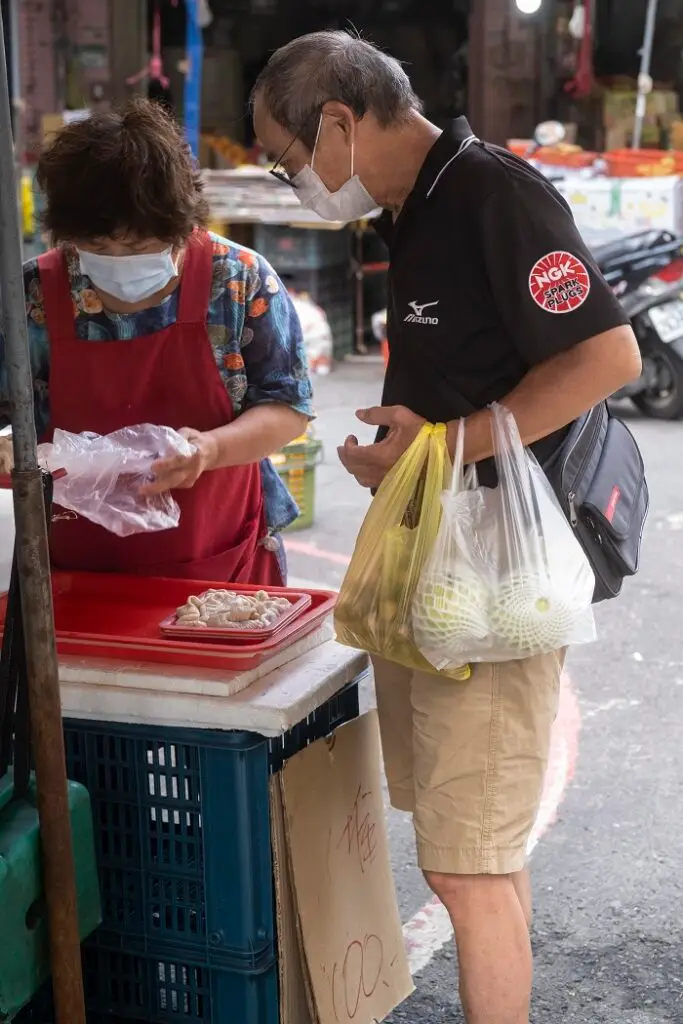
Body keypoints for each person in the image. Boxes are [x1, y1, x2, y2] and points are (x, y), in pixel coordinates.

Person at [252, 31, 642, 1024]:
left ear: (337, 124)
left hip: (500, 581)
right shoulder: (411, 212)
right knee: (466, 858)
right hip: (443, 573)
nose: (292, 182)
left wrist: (442, 443)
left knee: (466, 870)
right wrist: (406, 452)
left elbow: (604, 359)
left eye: (285, 161)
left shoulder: (491, 197)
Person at [0, 99, 312, 585]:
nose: (120, 259)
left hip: (222, 564)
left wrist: (207, 450)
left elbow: (287, 408)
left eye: (141, 245)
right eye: (99, 247)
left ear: (179, 224)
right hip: (71, 572)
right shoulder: (32, 296)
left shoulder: (238, 281)